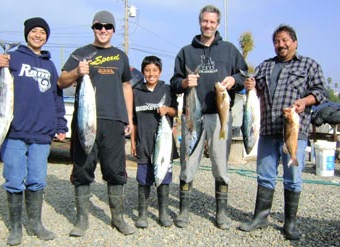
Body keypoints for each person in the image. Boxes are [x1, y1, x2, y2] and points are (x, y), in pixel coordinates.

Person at [238, 24, 328, 240]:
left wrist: (304, 102)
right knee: (265, 176)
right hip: (268, 130)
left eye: (285, 40)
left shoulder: (309, 65)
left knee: (293, 178)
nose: (281, 45)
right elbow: (254, 88)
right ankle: (260, 218)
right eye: (277, 41)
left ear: (295, 42)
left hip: (295, 131)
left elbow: (321, 93)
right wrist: (250, 84)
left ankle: (290, 224)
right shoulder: (266, 66)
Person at [0, 17, 67, 246]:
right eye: (34, 31)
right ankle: (15, 228)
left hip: (41, 134)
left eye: (42, 32)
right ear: (27, 34)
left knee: (37, 181)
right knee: (13, 180)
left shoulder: (50, 65)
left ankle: (35, 224)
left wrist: (60, 125)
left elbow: (56, 98)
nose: (38, 35)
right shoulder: (13, 58)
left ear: (46, 36)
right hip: (15, 132)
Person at [57, 10, 135, 236]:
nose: (103, 30)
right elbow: (61, 81)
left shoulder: (121, 56)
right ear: (93, 28)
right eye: (99, 26)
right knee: (82, 168)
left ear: (113, 30)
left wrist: (128, 117)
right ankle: (82, 220)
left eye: (108, 26)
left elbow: (127, 87)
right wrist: (76, 71)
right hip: (85, 118)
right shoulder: (80, 53)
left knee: (116, 170)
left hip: (113, 121)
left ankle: (117, 218)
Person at [170, 5, 247, 229]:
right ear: (199, 22)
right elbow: (174, 82)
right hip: (192, 115)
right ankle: (184, 211)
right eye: (205, 21)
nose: (208, 25)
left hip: (219, 116)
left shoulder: (230, 50)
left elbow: (243, 75)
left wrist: (234, 80)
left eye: (212, 22)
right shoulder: (186, 52)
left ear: (218, 24)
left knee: (220, 165)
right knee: (188, 163)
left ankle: (221, 213)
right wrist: (184, 83)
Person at [130, 56, 178, 228]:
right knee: (143, 179)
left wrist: (167, 110)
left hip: (164, 142)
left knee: (163, 177)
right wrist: (133, 143)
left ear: (160, 72)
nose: (151, 74)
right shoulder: (136, 91)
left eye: (155, 70)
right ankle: (142, 214)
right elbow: (134, 121)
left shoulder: (167, 89)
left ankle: (163, 212)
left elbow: (175, 112)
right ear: (143, 72)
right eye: (148, 70)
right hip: (144, 141)